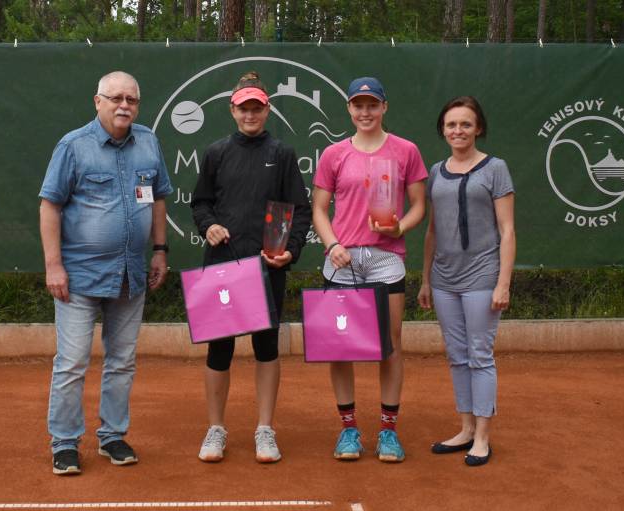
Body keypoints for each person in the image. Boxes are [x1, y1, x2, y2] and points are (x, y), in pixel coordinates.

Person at [39, 71, 173, 475]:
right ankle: (64, 442)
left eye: (131, 99)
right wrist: (54, 265)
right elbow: (50, 206)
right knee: (73, 362)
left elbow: (158, 198)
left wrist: (160, 250)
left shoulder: (148, 141)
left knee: (122, 361)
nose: (124, 106)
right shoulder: (73, 146)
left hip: (131, 275)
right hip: (79, 276)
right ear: (97, 101)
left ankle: (112, 435)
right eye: (115, 98)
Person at [191, 71, 310, 464]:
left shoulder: (283, 153)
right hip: (223, 267)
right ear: (233, 110)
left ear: (267, 109)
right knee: (219, 351)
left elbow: (299, 210)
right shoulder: (215, 152)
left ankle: (265, 430)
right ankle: (215, 428)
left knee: (266, 348)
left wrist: (290, 251)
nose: (250, 114)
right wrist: (209, 226)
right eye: (244, 107)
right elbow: (200, 203)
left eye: (257, 107)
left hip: (267, 269)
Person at [312, 77, 427, 463]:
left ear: (384, 107)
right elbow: (319, 210)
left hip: (385, 258)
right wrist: (333, 245)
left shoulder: (406, 151)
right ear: (349, 108)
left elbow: (417, 207)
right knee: (339, 348)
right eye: (358, 105)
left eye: (372, 105)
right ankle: (348, 429)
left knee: (389, 345)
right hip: (341, 259)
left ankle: (388, 432)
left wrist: (400, 227)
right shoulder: (333, 154)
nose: (365, 112)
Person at [417, 96, 515, 467]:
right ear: (443, 130)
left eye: (465, 124)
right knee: (457, 356)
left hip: (482, 276)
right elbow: (432, 231)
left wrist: (502, 282)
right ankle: (466, 428)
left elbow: (507, 231)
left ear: (479, 128)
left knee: (479, 354)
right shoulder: (437, 171)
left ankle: (484, 437)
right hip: (444, 279)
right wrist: (426, 279)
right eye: (451, 125)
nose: (458, 131)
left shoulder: (495, 169)